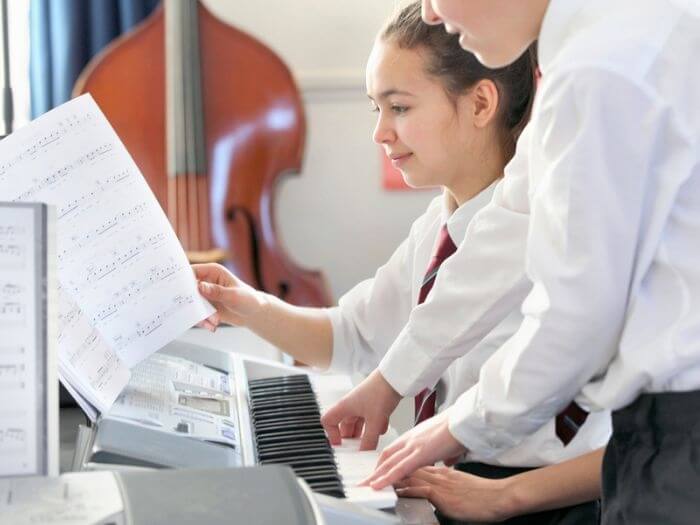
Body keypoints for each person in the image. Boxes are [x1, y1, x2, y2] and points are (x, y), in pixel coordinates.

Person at [195, 3, 609, 522]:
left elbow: (606, 427)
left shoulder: (559, 217)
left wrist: (487, 480)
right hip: (448, 486)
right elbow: (353, 335)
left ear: (481, 104)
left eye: (401, 108)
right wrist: (249, 306)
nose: (380, 134)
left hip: (537, 502)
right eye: (377, 109)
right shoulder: (438, 229)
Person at [347, 1, 700, 524]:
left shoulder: (600, 68)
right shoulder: (595, 50)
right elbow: (503, 237)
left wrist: (458, 426)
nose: (432, 13)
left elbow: (578, 316)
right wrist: (389, 382)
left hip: (679, 435)